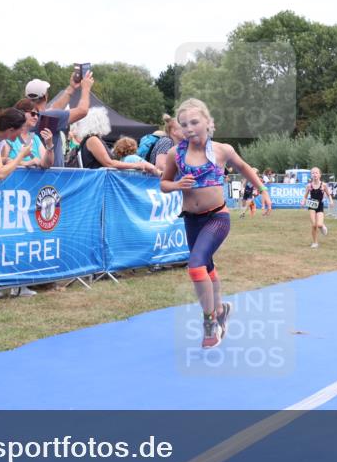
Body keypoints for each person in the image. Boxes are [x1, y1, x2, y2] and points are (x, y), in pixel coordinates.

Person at [160, 98, 271, 349]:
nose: (189, 128)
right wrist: (176, 185)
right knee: (206, 266)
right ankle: (220, 310)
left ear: (208, 123)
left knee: (196, 266)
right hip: (191, 220)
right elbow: (164, 184)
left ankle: (210, 322)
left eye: (195, 122)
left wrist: (263, 190)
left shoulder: (222, 150)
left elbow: (243, 167)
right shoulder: (174, 154)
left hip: (217, 218)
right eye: (184, 124)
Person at [26, 67, 94, 166]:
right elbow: (82, 111)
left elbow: (54, 109)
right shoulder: (48, 117)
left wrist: (72, 87)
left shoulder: (32, 116)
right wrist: (86, 88)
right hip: (51, 175)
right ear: (46, 96)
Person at [0, 108, 52, 180]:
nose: (21, 133)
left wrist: (21, 162)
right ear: (11, 130)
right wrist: (21, 155)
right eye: (20, 130)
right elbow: (0, 174)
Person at [67, 108, 158, 173]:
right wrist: (136, 165)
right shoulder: (93, 140)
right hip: (94, 185)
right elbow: (109, 163)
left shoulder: (92, 139)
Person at [301, 167, 332, 248]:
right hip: (312, 205)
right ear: (311, 175)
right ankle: (315, 243)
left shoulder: (323, 185)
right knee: (314, 225)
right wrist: (303, 201)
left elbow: (329, 195)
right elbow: (305, 196)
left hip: (320, 206)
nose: (314, 174)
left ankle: (322, 226)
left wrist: (331, 201)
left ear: (320, 175)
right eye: (313, 173)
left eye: (316, 173)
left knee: (319, 224)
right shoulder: (309, 186)